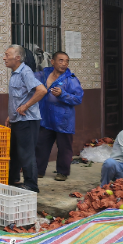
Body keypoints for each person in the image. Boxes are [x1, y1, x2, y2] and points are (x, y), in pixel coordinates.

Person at [4, 45, 48, 193]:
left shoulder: (26, 72)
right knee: (15, 151)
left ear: (17, 58)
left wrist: (26, 106)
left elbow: (42, 90)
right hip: (18, 120)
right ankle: (13, 178)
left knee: (26, 153)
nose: (4, 58)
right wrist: (11, 115)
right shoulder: (15, 73)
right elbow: (18, 97)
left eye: (7, 55)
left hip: (27, 121)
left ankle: (31, 185)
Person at [34, 51, 84, 181]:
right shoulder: (43, 74)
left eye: (66, 61)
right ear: (53, 62)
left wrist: (63, 94)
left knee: (64, 147)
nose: (64, 64)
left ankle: (62, 172)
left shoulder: (71, 79)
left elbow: (78, 99)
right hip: (46, 117)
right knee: (41, 144)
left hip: (63, 120)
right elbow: (31, 80)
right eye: (61, 60)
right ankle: (38, 170)